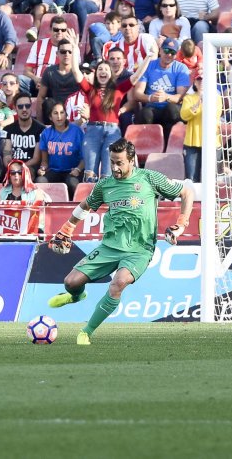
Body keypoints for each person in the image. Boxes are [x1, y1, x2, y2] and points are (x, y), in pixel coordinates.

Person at [47, 137, 194, 345]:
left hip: (139, 250)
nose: (114, 167)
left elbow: (187, 191)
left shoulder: (149, 179)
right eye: (112, 162)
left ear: (132, 161)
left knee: (119, 282)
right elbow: (85, 205)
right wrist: (67, 228)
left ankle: (86, 332)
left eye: (119, 163)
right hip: (109, 247)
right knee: (70, 282)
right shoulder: (105, 185)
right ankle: (76, 296)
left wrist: (181, 224)